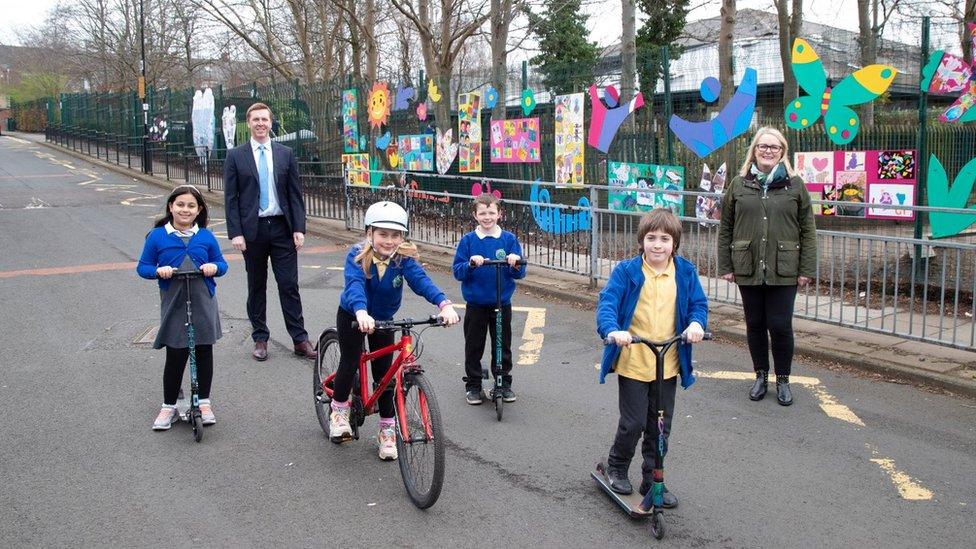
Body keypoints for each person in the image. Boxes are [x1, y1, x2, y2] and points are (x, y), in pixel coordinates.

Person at [329, 201, 461, 460]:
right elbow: (354, 285)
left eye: (396, 235)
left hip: (384, 318)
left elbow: (422, 282)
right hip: (354, 316)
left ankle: (387, 430)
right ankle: (339, 410)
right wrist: (361, 312)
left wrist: (444, 304)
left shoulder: (403, 259)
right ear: (370, 233)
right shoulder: (357, 254)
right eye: (383, 234)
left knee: (385, 375)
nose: (389, 241)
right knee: (350, 360)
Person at [596, 208, 708, 504]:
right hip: (634, 360)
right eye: (651, 238)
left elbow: (698, 304)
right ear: (641, 241)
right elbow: (607, 303)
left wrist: (697, 324)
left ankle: (652, 478)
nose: (658, 245)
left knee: (660, 426)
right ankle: (617, 466)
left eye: (665, 239)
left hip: (667, 363)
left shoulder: (684, 272)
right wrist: (612, 330)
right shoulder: (627, 271)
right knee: (633, 423)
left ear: (675, 243)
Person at [717, 127, 817, 406]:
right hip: (747, 265)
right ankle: (760, 374)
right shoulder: (738, 184)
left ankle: (783, 379)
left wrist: (806, 268)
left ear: (782, 152)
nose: (768, 151)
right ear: (754, 150)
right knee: (755, 324)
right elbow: (726, 228)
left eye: (774, 147)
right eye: (763, 146)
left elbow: (808, 229)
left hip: (784, 266)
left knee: (780, 324)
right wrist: (726, 264)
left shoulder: (795, 185)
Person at [224, 102, 316, 362]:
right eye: (256, 120)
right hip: (252, 231)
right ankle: (260, 338)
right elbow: (231, 198)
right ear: (249, 123)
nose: (260, 124)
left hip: (281, 228)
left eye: (264, 119)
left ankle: (300, 339)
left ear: (271, 123)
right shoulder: (236, 156)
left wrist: (299, 228)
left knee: (289, 285)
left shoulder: (285, 153)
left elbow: (294, 194)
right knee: (257, 286)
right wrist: (236, 233)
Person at [137, 185, 228, 430]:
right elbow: (143, 267)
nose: (185, 210)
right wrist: (158, 271)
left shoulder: (206, 236)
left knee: (204, 349)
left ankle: (204, 402)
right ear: (171, 207)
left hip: (202, 298)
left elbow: (222, 264)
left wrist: (213, 268)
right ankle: (169, 406)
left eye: (191, 206)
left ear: (199, 210)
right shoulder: (157, 236)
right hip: (174, 299)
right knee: (176, 352)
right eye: (180, 205)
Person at [452, 193, 526, 405]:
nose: (487, 217)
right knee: (474, 345)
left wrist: (515, 263)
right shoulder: (468, 241)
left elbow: (519, 273)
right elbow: (458, 271)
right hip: (476, 304)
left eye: (491, 212)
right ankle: (474, 384)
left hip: (502, 303)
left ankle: (502, 383)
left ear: (499, 214)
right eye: (482, 213)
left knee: (502, 345)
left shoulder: (509, 240)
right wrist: (471, 264)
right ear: (475, 215)